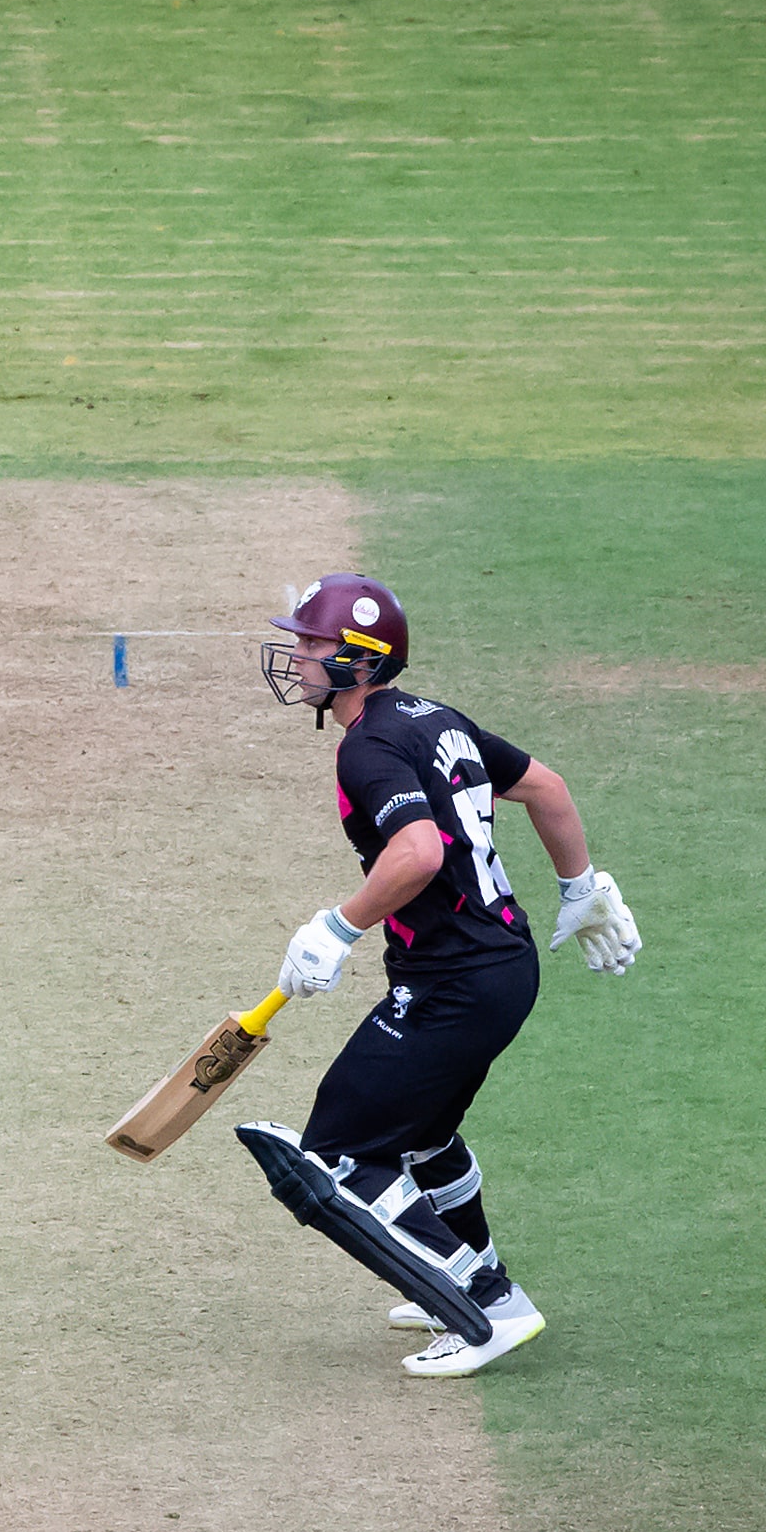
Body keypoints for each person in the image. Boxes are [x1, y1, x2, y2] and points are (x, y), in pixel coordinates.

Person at [239, 575, 640, 1376]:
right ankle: (450, 1283)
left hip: (454, 984)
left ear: (359, 661)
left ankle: (486, 1304)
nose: (298, 655)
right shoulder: (432, 718)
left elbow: (418, 852)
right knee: (421, 1138)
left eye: (314, 645)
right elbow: (546, 788)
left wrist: (338, 926)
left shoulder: (368, 746)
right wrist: (582, 885)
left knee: (339, 1150)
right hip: (500, 968)